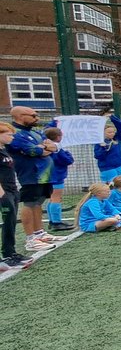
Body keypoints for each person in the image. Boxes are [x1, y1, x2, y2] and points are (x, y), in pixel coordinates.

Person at [8, 106, 66, 252]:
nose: (37, 118)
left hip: (44, 175)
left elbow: (53, 147)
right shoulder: (15, 134)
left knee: (38, 202)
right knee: (29, 203)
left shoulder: (35, 132)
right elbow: (33, 151)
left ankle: (40, 233)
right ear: (20, 116)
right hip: (30, 174)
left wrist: (45, 148)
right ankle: (30, 238)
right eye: (33, 115)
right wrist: (42, 149)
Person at [0, 123, 32, 268]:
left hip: (11, 190)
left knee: (11, 222)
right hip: (3, 192)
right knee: (7, 222)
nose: (11, 136)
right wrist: (3, 194)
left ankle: (10, 252)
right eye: (8, 134)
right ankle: (7, 254)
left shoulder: (4, 150)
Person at [41, 127, 74, 232]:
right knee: (56, 198)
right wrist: (66, 154)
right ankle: (56, 222)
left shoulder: (45, 147)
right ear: (58, 137)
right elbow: (67, 160)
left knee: (52, 199)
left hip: (48, 176)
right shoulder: (56, 148)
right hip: (56, 176)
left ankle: (52, 221)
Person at [94, 111, 121, 183]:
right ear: (103, 133)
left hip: (118, 165)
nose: (112, 134)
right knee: (112, 185)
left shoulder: (116, 138)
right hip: (107, 168)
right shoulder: (100, 142)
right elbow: (98, 156)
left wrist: (112, 117)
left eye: (113, 132)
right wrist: (103, 148)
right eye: (109, 132)